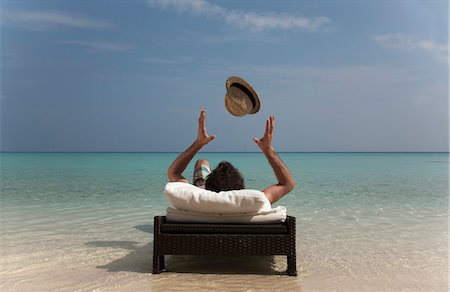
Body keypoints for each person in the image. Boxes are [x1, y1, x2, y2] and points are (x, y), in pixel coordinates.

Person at [167, 109, 295, 204]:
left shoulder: (192, 198)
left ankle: (203, 175)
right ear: (240, 190)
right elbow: (288, 184)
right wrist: (268, 150)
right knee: (203, 163)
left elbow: (174, 172)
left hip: (203, 192)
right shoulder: (255, 202)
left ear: (206, 187)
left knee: (202, 162)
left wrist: (198, 144)